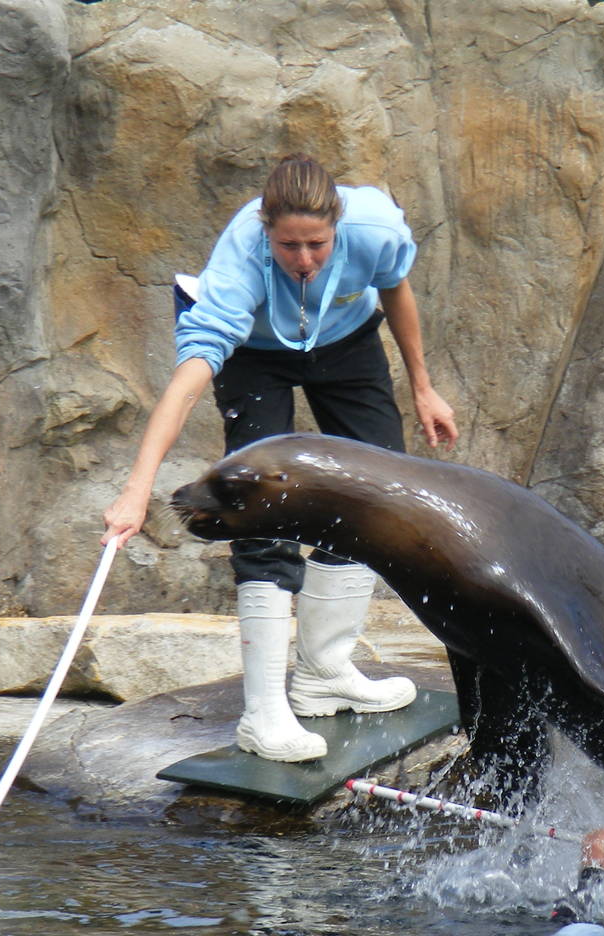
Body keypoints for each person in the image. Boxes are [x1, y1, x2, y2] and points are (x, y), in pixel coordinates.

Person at [102, 154, 458, 763]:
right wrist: (138, 488)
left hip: (345, 339)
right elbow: (186, 384)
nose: (303, 260)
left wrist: (423, 386)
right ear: (266, 231)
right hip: (253, 354)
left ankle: (323, 673)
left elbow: (395, 288)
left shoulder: (376, 229)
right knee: (257, 504)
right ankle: (263, 713)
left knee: (375, 495)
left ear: (337, 228)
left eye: (317, 244)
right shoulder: (239, 263)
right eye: (288, 245)